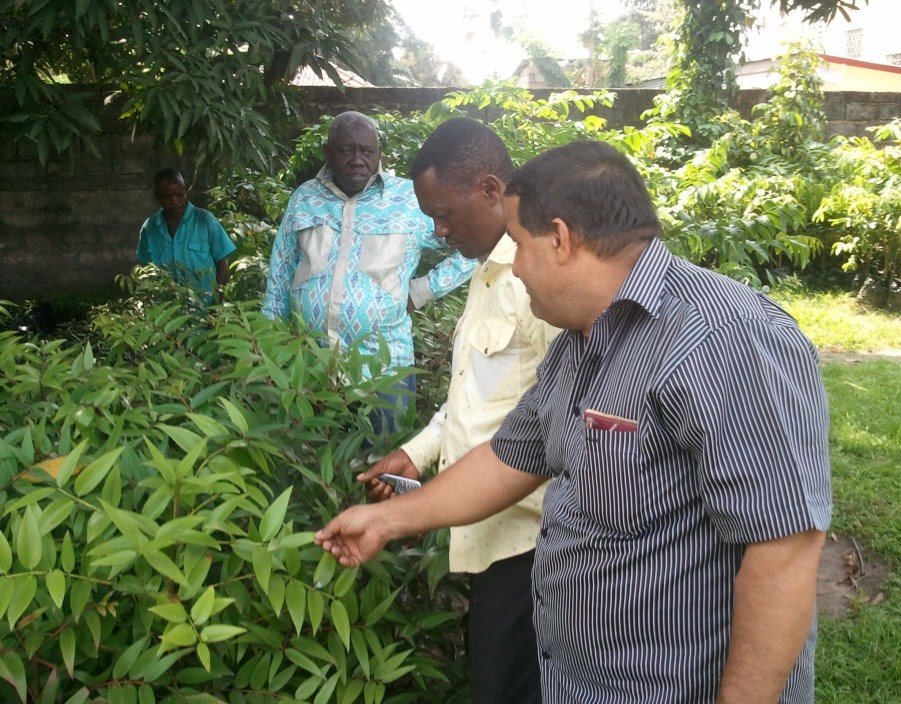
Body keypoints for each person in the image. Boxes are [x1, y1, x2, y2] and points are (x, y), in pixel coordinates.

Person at [316, 140, 833, 703]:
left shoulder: (721, 339)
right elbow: (512, 454)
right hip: (582, 679)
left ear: (560, 239)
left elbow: (784, 547)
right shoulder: (583, 339)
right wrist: (389, 522)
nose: (512, 263)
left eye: (518, 244)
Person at [357, 118, 560, 704]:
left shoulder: (535, 281)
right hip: (487, 529)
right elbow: (475, 395)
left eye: (445, 214)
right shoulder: (485, 273)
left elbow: (565, 415)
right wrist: (418, 452)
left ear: (492, 190)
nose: (439, 231)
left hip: (530, 541)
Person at [262, 111, 475, 428]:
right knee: (313, 461)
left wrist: (420, 291)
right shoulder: (305, 198)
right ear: (328, 153)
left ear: (379, 154)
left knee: (383, 466)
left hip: (384, 372)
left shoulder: (409, 200)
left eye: (366, 151)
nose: (357, 160)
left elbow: (471, 246)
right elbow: (280, 275)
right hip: (308, 367)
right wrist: (270, 350)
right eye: (347, 150)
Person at [137, 168, 235, 304]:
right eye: (167, 197)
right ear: (157, 196)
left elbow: (223, 265)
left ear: (185, 190)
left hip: (204, 311)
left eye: (179, 194)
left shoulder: (205, 220)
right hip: (166, 313)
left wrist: (217, 307)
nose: (174, 201)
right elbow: (146, 271)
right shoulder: (150, 228)